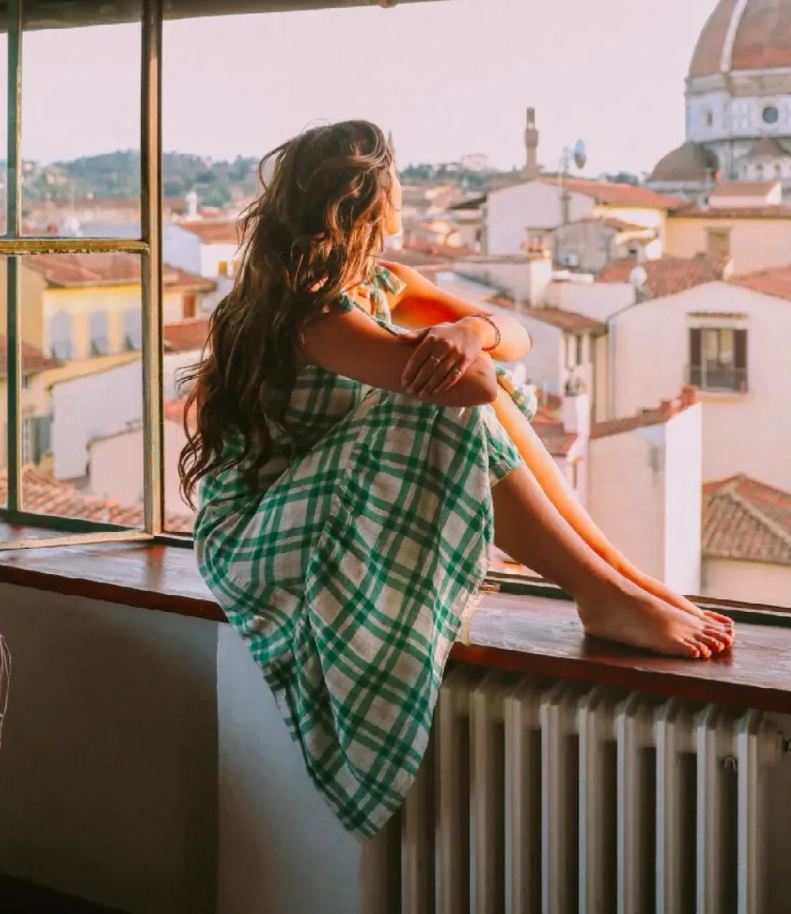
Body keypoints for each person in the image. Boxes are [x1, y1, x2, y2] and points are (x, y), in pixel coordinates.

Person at [181, 120, 733, 837]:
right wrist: (465, 342)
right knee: (450, 408)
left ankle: (616, 577)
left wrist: (472, 330)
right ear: (374, 204)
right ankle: (601, 590)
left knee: (474, 392)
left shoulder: (380, 284)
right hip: (258, 536)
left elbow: (516, 335)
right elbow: (469, 394)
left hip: (321, 502)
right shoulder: (313, 316)